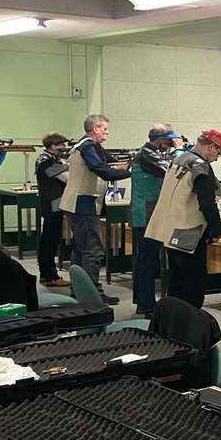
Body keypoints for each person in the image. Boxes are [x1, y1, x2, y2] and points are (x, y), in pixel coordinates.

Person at [144, 129, 221, 309]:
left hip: (169, 230)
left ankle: (173, 320)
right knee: (193, 284)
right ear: (211, 147)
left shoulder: (178, 159)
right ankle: (190, 322)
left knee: (176, 281)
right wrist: (216, 230)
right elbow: (207, 202)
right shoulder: (200, 166)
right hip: (188, 232)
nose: (217, 158)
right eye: (219, 153)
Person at [58, 114, 130, 304]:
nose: (107, 133)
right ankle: (92, 294)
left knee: (80, 249)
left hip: (78, 202)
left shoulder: (86, 145)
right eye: (104, 129)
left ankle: (78, 290)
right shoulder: (88, 147)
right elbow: (102, 170)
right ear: (95, 128)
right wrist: (128, 172)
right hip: (82, 203)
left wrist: (125, 164)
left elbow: (109, 162)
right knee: (93, 250)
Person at [130, 123, 180, 316]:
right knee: (147, 262)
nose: (171, 143)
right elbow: (172, 171)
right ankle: (147, 305)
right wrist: (178, 150)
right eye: (169, 140)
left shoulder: (150, 153)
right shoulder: (146, 155)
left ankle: (142, 301)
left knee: (144, 261)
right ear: (161, 140)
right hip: (146, 215)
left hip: (148, 213)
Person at [34, 132, 71, 287]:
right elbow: (67, 178)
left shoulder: (51, 159)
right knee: (50, 241)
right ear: (52, 146)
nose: (63, 147)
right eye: (61, 144)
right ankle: (50, 276)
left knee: (49, 240)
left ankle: (46, 274)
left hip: (54, 202)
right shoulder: (46, 162)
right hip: (53, 203)